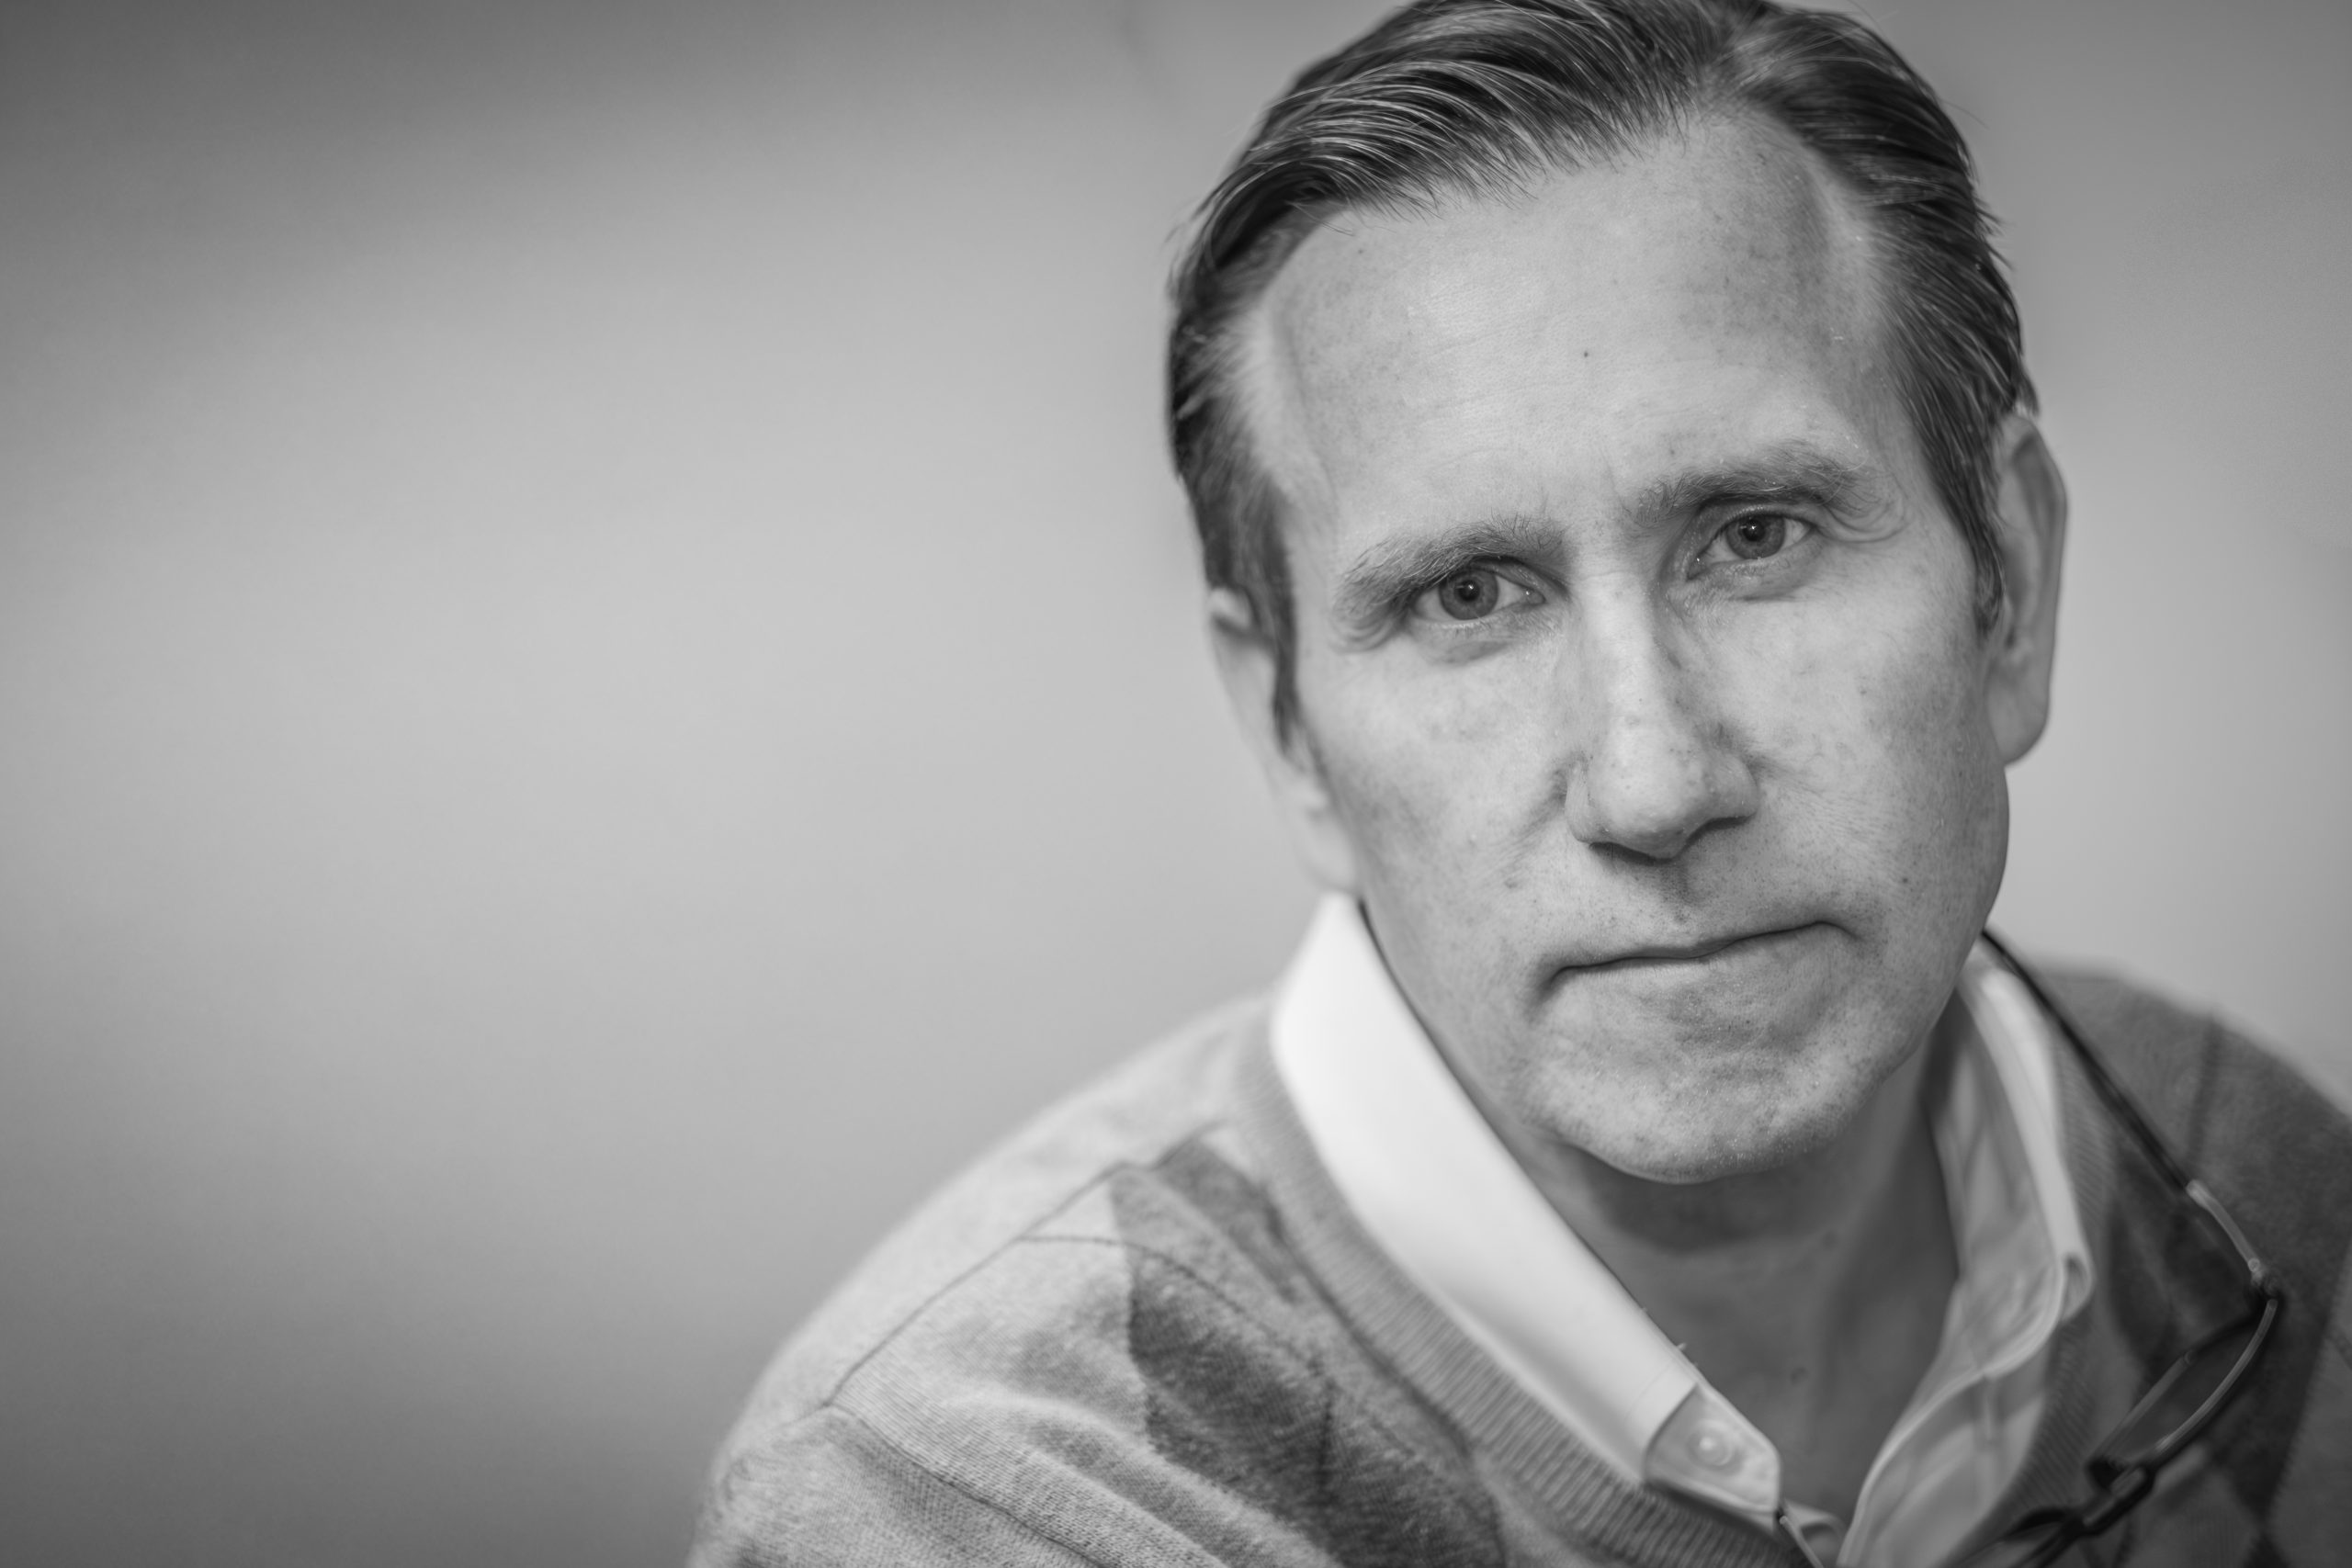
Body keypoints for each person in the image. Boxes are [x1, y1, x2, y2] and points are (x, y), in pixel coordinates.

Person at [691, 1, 2352, 1562]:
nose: (1655, 781)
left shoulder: (2250, 1164)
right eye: (1467, 596)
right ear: (1289, 734)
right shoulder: (980, 1493)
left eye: (1754, 536)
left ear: (2012, 591)